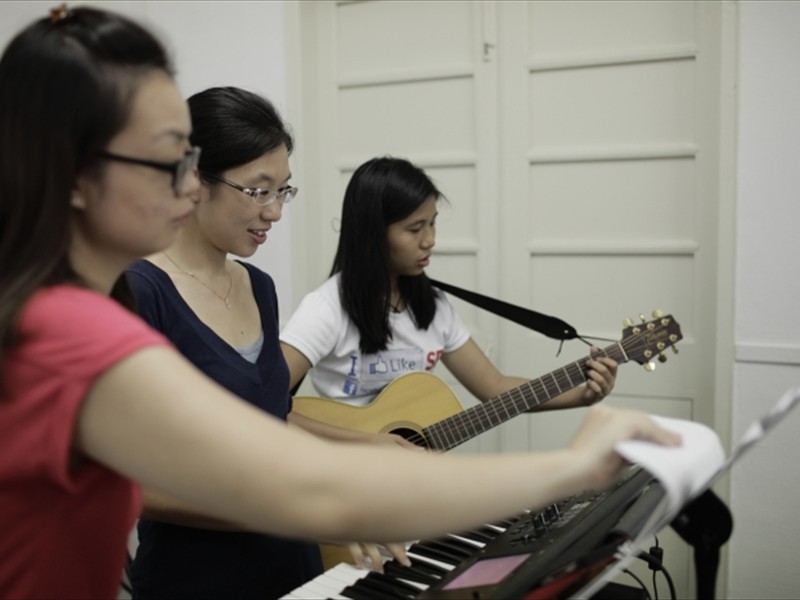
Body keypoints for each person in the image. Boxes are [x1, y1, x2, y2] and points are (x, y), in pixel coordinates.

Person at [0, 6, 681, 600]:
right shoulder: (71, 327)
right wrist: (570, 471)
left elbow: (270, 438)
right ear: (77, 175)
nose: (186, 188)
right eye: (168, 162)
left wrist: (370, 462)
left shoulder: (89, 307)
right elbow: (297, 487)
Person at [125, 86, 323, 599]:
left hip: (295, 568)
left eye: (283, 191)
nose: (275, 212)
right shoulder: (139, 292)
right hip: (196, 581)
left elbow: (272, 423)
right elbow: (127, 483)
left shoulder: (259, 287)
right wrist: (281, 509)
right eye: (259, 191)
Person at [280, 156, 618, 412]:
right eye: (415, 229)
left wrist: (583, 396)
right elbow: (265, 400)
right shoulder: (326, 309)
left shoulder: (434, 306)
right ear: (372, 233)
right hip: (344, 470)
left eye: (433, 223)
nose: (430, 240)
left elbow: (494, 387)